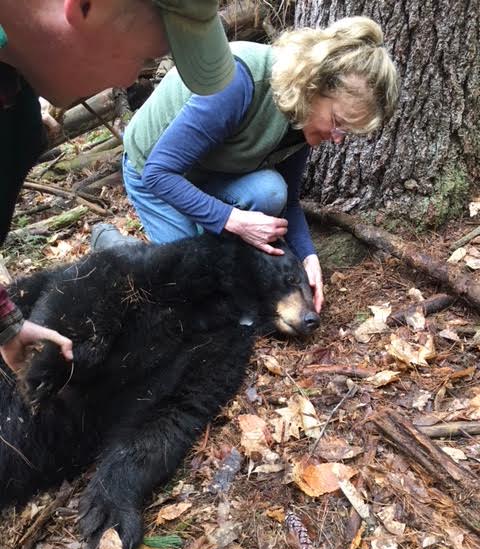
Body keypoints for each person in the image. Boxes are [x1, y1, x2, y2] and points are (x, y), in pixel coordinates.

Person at [0, 0, 235, 372]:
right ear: (88, 7)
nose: (129, 81)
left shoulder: (16, 112)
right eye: (143, 58)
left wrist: (6, 322)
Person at [121, 15, 399, 315]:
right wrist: (234, 220)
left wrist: (309, 257)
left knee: (270, 191)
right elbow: (158, 174)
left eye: (346, 132)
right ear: (315, 84)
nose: (337, 139)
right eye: (338, 123)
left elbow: (289, 201)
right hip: (153, 174)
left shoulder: (301, 116)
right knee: (196, 290)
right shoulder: (238, 83)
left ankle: (211, 239)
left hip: (210, 171)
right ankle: (120, 250)